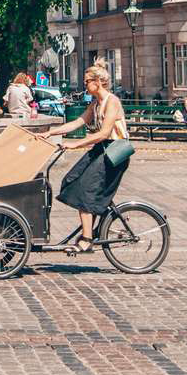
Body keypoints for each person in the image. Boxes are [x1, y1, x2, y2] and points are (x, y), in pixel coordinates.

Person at [44, 66, 130, 252]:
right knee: (71, 179)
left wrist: (76, 144)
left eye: (87, 82)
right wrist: (52, 132)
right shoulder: (96, 103)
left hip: (116, 151)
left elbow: (104, 133)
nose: (85, 85)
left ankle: (87, 238)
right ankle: (99, 216)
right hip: (103, 148)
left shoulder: (112, 101)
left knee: (85, 190)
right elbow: (78, 122)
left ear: (98, 82)